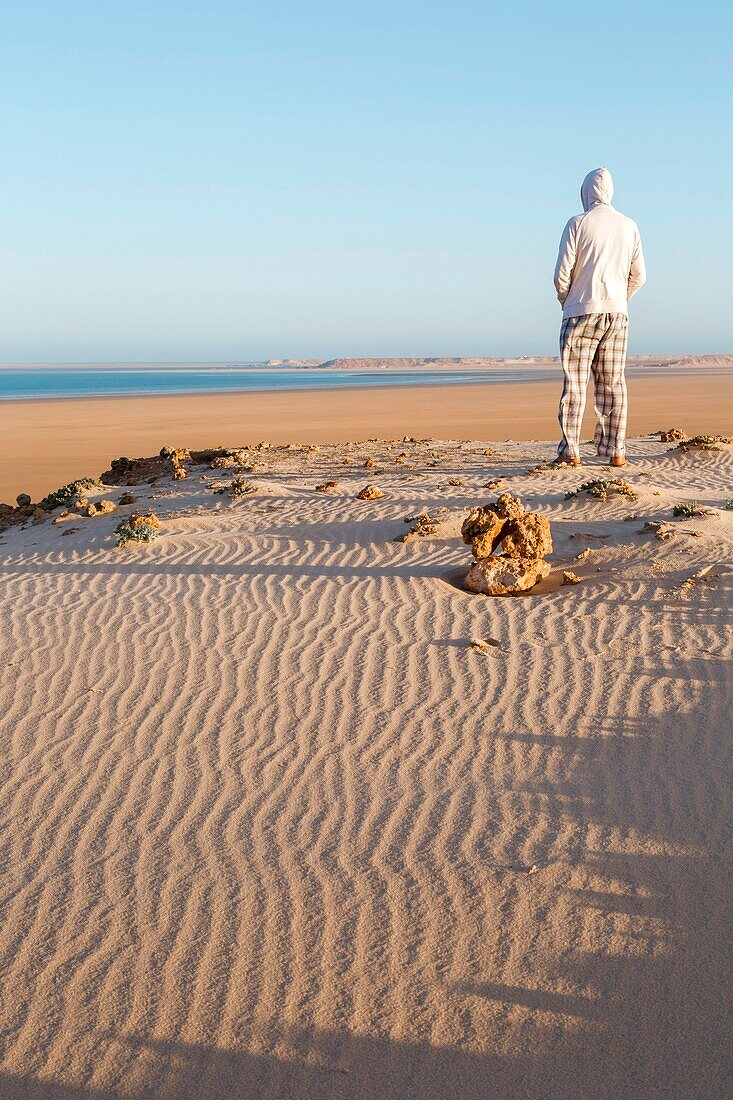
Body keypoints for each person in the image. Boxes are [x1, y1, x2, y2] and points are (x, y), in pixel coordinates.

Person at [553, 167, 646, 467]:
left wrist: (566, 300)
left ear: (585, 192)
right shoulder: (629, 225)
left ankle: (571, 450)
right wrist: (621, 298)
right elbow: (639, 276)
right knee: (613, 383)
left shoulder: (577, 224)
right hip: (617, 315)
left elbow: (561, 275)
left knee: (576, 384)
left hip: (580, 311)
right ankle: (615, 450)